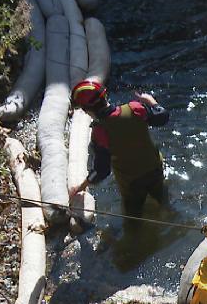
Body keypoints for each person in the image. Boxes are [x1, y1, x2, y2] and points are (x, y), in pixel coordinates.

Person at [68, 80, 170, 218]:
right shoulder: (135, 108)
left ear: (87, 110)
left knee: (133, 220)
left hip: (132, 184)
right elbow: (162, 117)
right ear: (105, 96)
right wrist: (152, 102)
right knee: (164, 203)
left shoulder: (100, 131)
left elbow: (101, 171)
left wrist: (82, 186)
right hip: (155, 170)